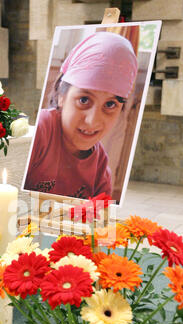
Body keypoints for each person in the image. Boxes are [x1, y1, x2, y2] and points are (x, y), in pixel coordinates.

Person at [24, 31, 138, 199]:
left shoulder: (100, 165)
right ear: (62, 96)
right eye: (84, 100)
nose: (92, 121)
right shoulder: (40, 130)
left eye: (110, 104)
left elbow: (100, 217)